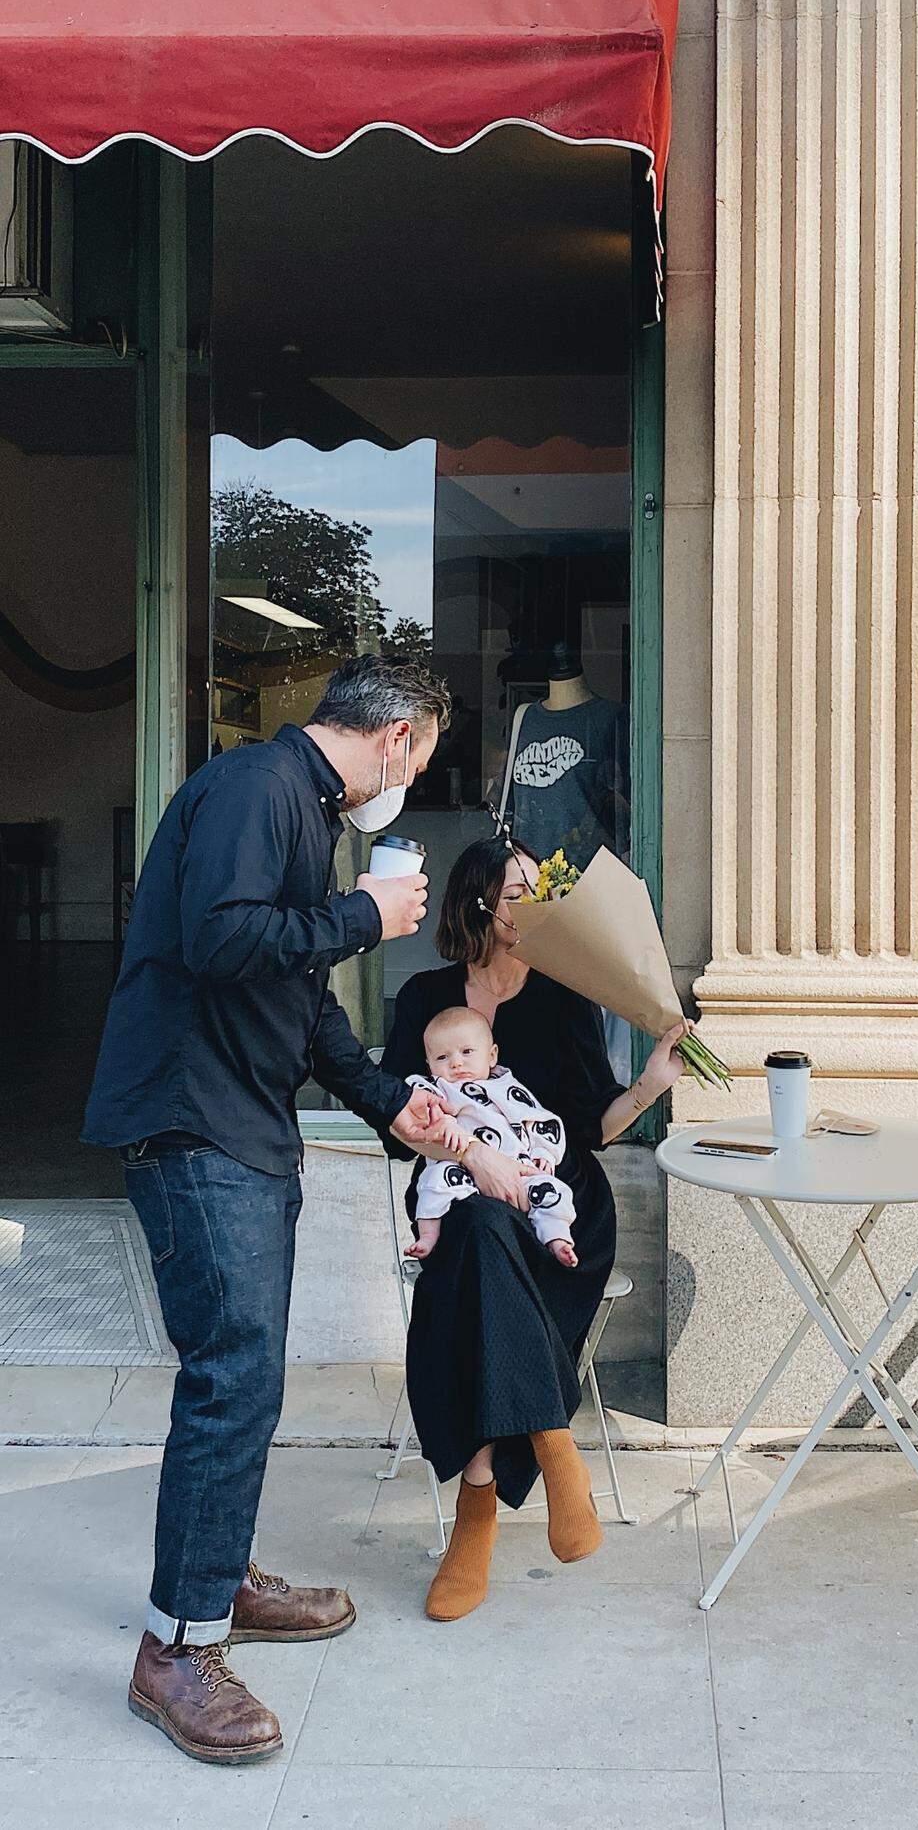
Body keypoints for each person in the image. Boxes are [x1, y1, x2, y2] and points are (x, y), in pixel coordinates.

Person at [82, 656, 452, 1766]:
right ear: (396, 742)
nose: (413, 776)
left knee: (246, 1378)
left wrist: (398, 1103)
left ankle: (220, 1578)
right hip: (194, 1126)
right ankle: (175, 1651)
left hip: (241, 1129)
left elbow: (302, 1013)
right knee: (230, 1377)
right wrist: (365, 914)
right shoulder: (256, 791)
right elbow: (223, 938)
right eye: (422, 758)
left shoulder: (302, 813)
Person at [380, 834, 689, 1623]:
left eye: (541, 894)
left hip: (562, 1214)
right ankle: (554, 1444)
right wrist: (473, 1152)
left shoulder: (561, 992)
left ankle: (474, 1511)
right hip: (460, 1200)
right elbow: (395, 1124)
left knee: (476, 1273)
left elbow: (592, 1123)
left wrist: (651, 1086)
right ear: (479, 904)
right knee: (480, 1230)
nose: (534, 909)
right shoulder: (424, 998)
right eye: (519, 893)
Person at [407, 1005, 577, 1267]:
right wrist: (444, 1123)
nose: (456, 1063)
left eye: (466, 1052)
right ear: (429, 1065)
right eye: (442, 1057)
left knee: (554, 1190)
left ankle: (556, 1238)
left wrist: (544, 1154)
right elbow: (414, 1107)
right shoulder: (437, 1089)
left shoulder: (508, 1087)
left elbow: (542, 1121)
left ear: (492, 1055)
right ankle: (429, 1236)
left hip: (517, 1169)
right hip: (460, 1169)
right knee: (434, 1181)